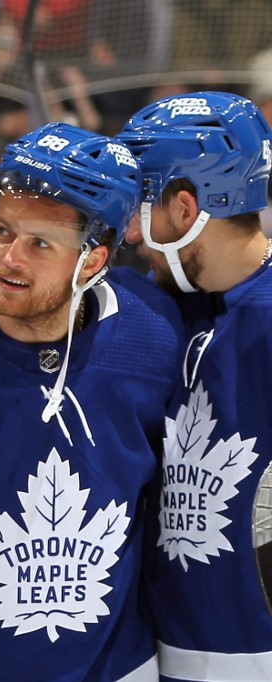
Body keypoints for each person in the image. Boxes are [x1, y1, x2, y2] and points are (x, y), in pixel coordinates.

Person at [0, 121, 185, 680]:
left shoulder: (155, 335)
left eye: (39, 243)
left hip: (116, 668)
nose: (8, 259)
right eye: (0, 231)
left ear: (92, 262)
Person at [116, 91, 272, 681]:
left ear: (185, 209)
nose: (131, 234)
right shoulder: (163, 311)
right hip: (166, 654)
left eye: (141, 208)